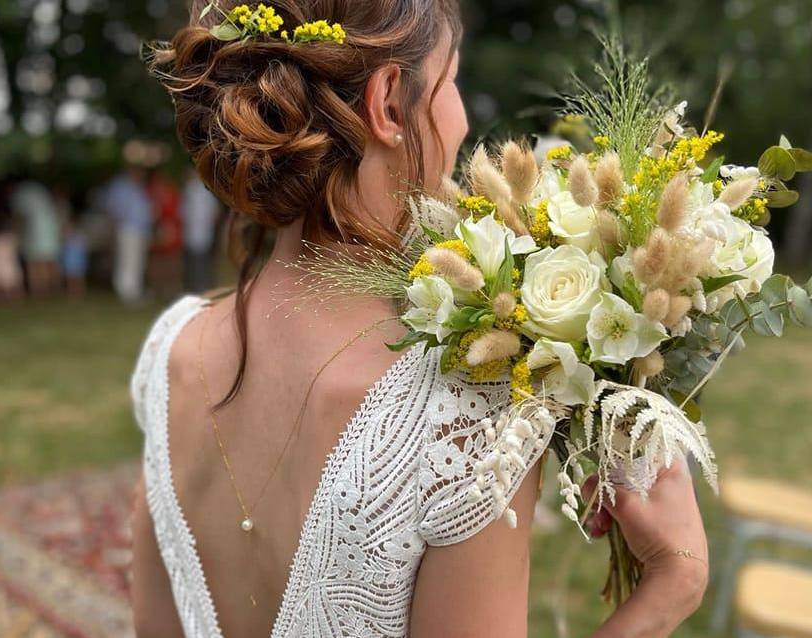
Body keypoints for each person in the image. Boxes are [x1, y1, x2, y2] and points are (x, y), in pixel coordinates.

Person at [130, 3, 708, 638]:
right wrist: (670, 587)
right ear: (387, 104)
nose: (461, 117)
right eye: (451, 78)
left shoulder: (169, 355)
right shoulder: (462, 415)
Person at [106, 168, 153, 304]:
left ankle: (134, 290)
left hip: (139, 230)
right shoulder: (121, 186)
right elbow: (114, 207)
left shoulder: (137, 187)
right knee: (128, 259)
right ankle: (127, 292)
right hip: (128, 228)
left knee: (137, 261)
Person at [11, 180, 61, 297]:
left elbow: (19, 217)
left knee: (34, 263)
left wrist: (16, 231)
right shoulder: (40, 190)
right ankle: (54, 287)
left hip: (34, 232)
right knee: (49, 260)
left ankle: (38, 290)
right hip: (50, 228)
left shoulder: (20, 193)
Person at [179, 171, 222, 292]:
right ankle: (197, 285)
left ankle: (200, 285)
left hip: (200, 231)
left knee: (199, 260)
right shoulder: (192, 190)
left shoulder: (196, 191)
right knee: (197, 260)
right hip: (195, 231)